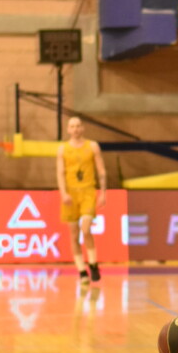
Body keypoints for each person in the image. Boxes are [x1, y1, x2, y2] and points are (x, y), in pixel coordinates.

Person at [56, 116, 107, 286]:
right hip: (71, 194)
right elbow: (60, 173)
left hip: (87, 191)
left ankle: (92, 263)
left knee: (85, 229)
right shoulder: (63, 149)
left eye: (78, 126)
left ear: (82, 128)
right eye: (72, 126)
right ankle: (81, 271)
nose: (75, 129)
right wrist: (63, 193)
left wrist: (103, 192)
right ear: (68, 129)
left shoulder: (92, 146)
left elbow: (101, 171)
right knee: (73, 234)